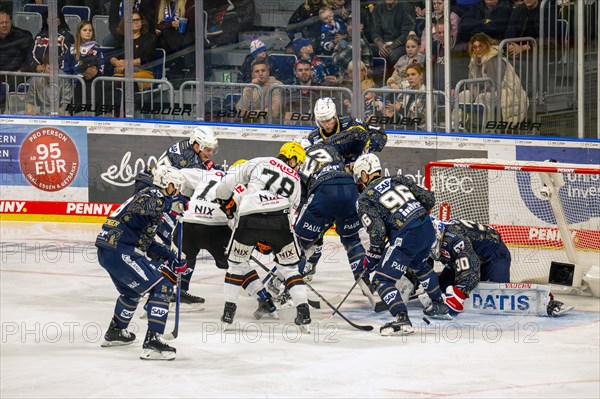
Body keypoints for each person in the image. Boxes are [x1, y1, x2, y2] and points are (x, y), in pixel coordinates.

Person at [214, 142, 311, 329]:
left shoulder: (260, 161)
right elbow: (292, 212)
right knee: (290, 269)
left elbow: (224, 186)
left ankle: (228, 315)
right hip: (280, 221)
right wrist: (271, 239)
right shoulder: (297, 180)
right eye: (298, 162)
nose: (297, 167)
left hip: (249, 218)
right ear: (292, 158)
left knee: (236, 265)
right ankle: (304, 315)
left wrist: (226, 202)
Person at [96, 165, 188, 360]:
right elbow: (143, 205)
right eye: (175, 187)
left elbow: (145, 242)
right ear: (165, 184)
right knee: (163, 285)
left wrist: (171, 256)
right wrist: (171, 204)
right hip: (120, 251)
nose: (177, 191)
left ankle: (116, 332)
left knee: (131, 291)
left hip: (110, 250)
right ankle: (153, 342)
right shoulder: (151, 195)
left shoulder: (153, 197)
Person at [353, 153, 450, 336]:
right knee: (419, 264)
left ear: (365, 174)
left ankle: (401, 319)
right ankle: (438, 304)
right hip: (427, 228)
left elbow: (378, 233)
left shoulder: (364, 199)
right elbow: (429, 198)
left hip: (407, 235)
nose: (360, 183)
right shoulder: (397, 179)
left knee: (381, 279)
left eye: (360, 178)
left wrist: (372, 258)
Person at [177, 160, 277, 317]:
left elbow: (179, 174)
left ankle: (175, 294)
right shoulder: (244, 188)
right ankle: (263, 298)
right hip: (215, 227)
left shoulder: (207, 173)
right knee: (238, 263)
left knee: (184, 258)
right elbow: (239, 219)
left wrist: (183, 198)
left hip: (188, 222)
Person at [295, 128, 369, 282]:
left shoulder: (300, 163)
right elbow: (360, 134)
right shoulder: (329, 145)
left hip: (324, 192)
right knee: (352, 238)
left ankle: (290, 284)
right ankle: (364, 280)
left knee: (299, 242)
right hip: (349, 187)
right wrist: (352, 156)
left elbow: (303, 200)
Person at [428, 217, 510, 314]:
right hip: (462, 258)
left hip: (493, 256)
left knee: (500, 299)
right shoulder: (430, 238)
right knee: (441, 287)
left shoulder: (455, 239)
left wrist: (455, 300)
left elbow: (471, 272)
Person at [456, 32, 528, 126]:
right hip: (486, 93)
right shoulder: (474, 60)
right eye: (475, 47)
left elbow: (494, 84)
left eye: (480, 46)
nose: (477, 49)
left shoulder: (494, 59)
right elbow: (471, 82)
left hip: (506, 93)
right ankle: (457, 124)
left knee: (482, 98)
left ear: (487, 45)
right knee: (464, 94)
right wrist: (474, 93)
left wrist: (478, 95)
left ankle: (482, 127)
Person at [134, 125, 221, 193]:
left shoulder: (188, 145)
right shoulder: (185, 159)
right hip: (149, 187)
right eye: (208, 150)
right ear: (197, 146)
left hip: (156, 184)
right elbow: (205, 183)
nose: (211, 154)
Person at [308, 97, 387, 158]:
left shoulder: (350, 123)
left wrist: (365, 145)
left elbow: (381, 135)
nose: (326, 125)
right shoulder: (313, 137)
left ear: (334, 116)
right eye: (323, 121)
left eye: (328, 120)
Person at [109, 11, 157, 87]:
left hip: (143, 72)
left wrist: (127, 63)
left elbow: (147, 58)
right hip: (123, 72)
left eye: (138, 20)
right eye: (132, 21)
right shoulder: (121, 39)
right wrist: (117, 62)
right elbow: (112, 56)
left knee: (126, 83)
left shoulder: (149, 38)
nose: (136, 22)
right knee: (111, 83)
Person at [24, 51, 73, 116]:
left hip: (60, 115)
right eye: (49, 69)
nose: (52, 72)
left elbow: (66, 103)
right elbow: (29, 101)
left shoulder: (64, 79)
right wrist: (30, 111)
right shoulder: (36, 79)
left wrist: (57, 113)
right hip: (41, 114)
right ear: (43, 67)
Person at [387, 64, 433, 130]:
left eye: (413, 74)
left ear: (421, 76)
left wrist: (401, 109)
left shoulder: (428, 94)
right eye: (408, 75)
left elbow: (420, 119)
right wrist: (392, 115)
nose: (410, 77)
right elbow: (401, 118)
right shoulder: (404, 92)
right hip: (405, 126)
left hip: (421, 129)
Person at [370, 0, 415, 64]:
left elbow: (406, 34)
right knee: (365, 49)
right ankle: (366, 72)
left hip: (401, 45)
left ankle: (390, 73)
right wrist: (381, 45)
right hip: (382, 44)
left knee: (392, 55)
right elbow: (375, 31)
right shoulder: (377, 8)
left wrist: (390, 47)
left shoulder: (407, 8)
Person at [331, 12, 372, 81]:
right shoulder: (348, 39)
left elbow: (337, 61)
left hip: (358, 83)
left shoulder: (358, 42)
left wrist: (336, 50)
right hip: (348, 80)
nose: (350, 27)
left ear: (361, 26)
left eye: (353, 24)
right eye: (348, 24)